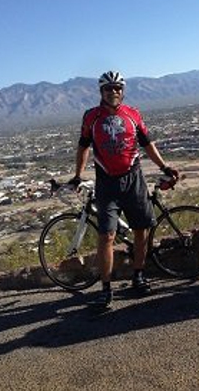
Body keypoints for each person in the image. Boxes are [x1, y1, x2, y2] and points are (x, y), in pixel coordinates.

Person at [70, 70, 178, 310]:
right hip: (106, 183)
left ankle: (138, 276)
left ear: (123, 90)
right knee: (106, 236)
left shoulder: (133, 114)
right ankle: (105, 289)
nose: (114, 92)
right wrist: (78, 175)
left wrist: (165, 166)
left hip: (134, 179)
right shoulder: (91, 117)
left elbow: (148, 144)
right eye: (108, 88)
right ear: (101, 92)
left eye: (118, 87)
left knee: (142, 229)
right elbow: (83, 146)